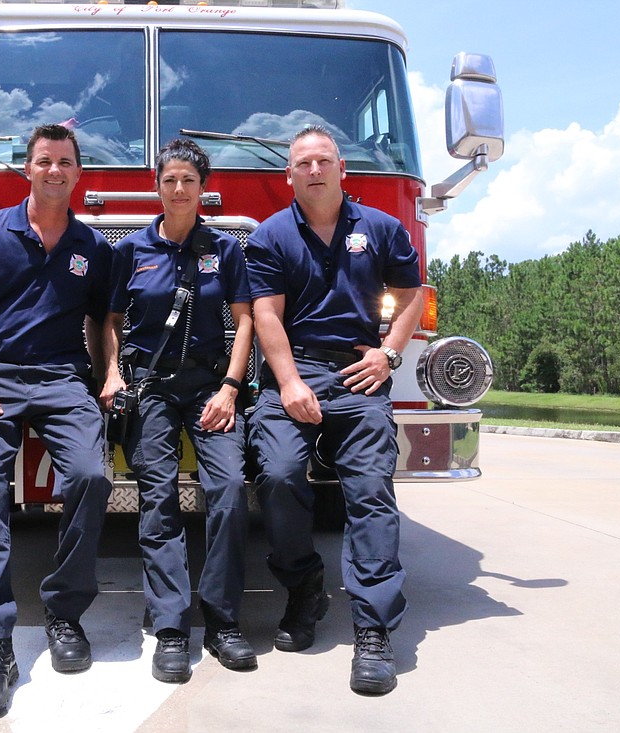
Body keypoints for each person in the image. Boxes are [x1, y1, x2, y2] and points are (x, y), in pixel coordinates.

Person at [0, 123, 113, 717]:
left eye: (65, 161)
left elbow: (101, 323)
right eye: (44, 160)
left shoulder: (93, 247)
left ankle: (64, 613)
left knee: (92, 476)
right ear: (28, 167)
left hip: (64, 377)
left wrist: (103, 375)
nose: (54, 170)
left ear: (78, 172)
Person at [244, 125, 424, 695]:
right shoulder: (270, 236)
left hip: (357, 371)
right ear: (289, 175)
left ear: (342, 168)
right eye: (304, 163)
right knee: (276, 475)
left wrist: (389, 353)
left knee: (369, 489)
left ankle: (372, 629)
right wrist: (290, 382)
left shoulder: (382, 228)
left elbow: (412, 291)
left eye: (324, 161)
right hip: (293, 372)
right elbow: (267, 315)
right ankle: (304, 589)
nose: (314, 170)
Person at [100, 139, 256, 684]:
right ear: (157, 186)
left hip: (212, 388)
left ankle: (222, 619)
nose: (179, 189)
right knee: (158, 497)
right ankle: (170, 625)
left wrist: (232, 389)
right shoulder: (130, 251)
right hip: (152, 389)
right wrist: (114, 373)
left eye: (189, 180)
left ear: (203, 189)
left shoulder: (226, 251)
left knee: (230, 491)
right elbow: (111, 323)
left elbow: (245, 322)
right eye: (170, 180)